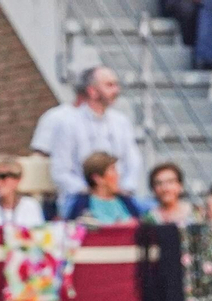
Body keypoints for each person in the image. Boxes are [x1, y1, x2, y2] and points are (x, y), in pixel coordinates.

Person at [45, 68, 145, 206]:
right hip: (81, 198)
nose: (116, 90)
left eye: (116, 85)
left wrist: (125, 187)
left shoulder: (121, 121)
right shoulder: (68, 123)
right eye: (109, 85)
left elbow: (133, 161)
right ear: (92, 91)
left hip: (119, 196)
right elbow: (60, 170)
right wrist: (90, 191)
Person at [66, 152, 141, 224]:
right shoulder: (82, 205)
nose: (118, 175)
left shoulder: (126, 201)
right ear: (97, 178)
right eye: (113, 170)